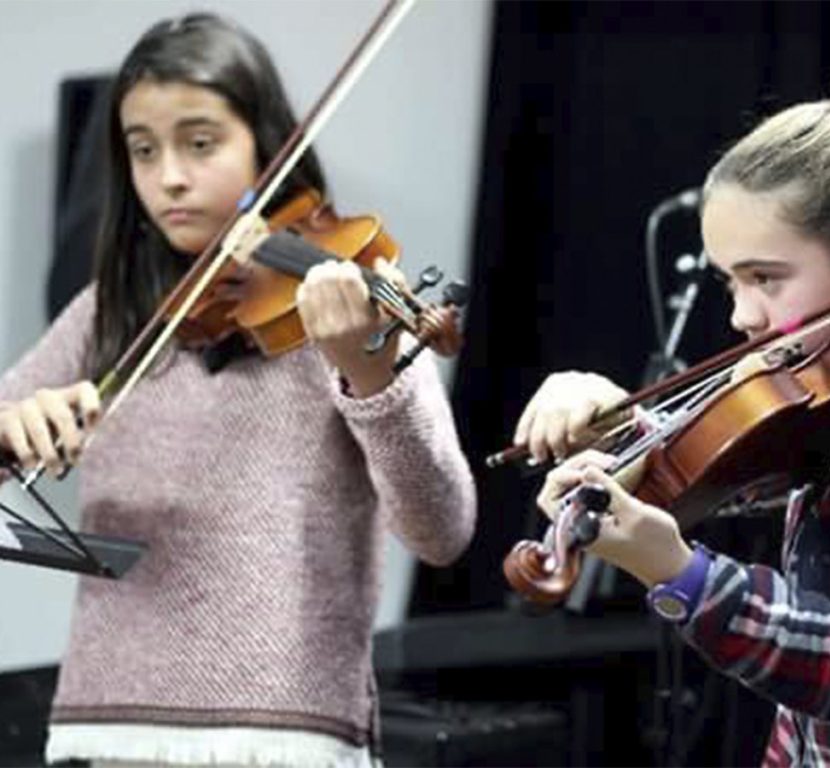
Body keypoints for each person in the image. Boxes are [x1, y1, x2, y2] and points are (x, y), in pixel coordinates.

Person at [0, 13, 476, 768]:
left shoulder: (344, 296)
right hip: (112, 733)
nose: (170, 178)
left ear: (265, 141)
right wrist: (14, 426)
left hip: (286, 735)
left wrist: (369, 373)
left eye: (200, 142)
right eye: (143, 151)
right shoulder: (112, 307)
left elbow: (443, 528)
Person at [517, 100, 830, 765]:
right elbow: (727, 465)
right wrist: (617, 428)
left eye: (765, 278)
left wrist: (678, 572)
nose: (741, 316)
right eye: (731, 281)